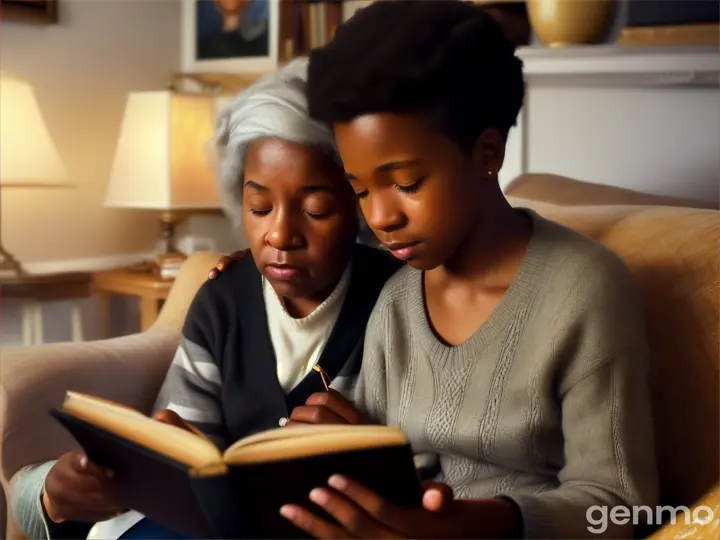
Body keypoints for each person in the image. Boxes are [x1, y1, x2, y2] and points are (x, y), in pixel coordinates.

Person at [271, 1, 658, 538]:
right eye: (360, 189)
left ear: (487, 153)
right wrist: (344, 439)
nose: (380, 217)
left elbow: (621, 504)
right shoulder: (398, 301)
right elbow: (391, 469)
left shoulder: (585, 289)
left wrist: (472, 524)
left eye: (405, 183)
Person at [11, 57, 413, 540]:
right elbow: (185, 457)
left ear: (359, 205)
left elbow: (434, 473)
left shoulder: (402, 300)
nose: (280, 234)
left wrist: (365, 457)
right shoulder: (223, 302)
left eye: (316, 209)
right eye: (259, 207)